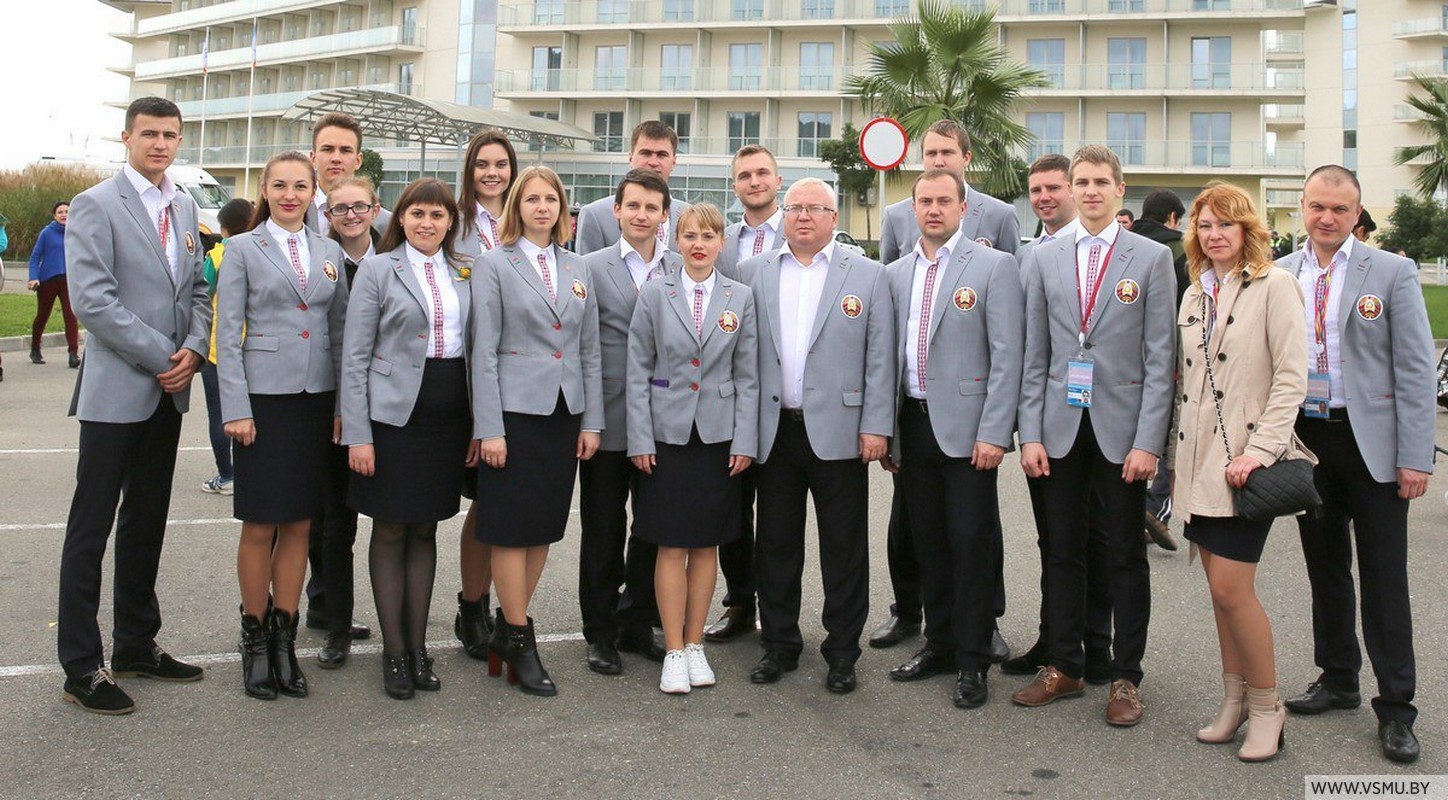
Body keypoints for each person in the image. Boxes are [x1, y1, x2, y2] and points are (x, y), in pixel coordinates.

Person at [1012, 144, 1175, 727]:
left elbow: (1161, 358)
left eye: (1101, 182)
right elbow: (1034, 353)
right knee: (1061, 549)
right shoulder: (1044, 257)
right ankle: (1064, 665)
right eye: (1082, 182)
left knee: (1124, 554)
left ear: (1119, 189)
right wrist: (1030, 433)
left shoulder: (1152, 258)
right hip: (1059, 428)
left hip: (1122, 431)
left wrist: (1148, 442)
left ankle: (1126, 677)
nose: (1090, 191)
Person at [1278, 165, 1435, 764]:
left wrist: (1415, 455)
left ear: (1356, 213)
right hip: (1308, 442)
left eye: (1339, 209)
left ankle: (1396, 707)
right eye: (1317, 206)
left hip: (1373, 445)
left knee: (1384, 578)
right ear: (1303, 206)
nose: (1326, 218)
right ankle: (1338, 677)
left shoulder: (1390, 272)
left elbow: (1415, 367)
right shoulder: (1282, 272)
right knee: (1326, 568)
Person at [58, 96, 210, 714]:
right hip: (118, 393)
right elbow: (93, 301)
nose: (160, 144)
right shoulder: (96, 204)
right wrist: (162, 357)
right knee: (90, 528)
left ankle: (136, 644)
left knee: (146, 522)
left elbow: (198, 288)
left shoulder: (185, 205)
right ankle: (81, 666)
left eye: (170, 135)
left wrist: (194, 349)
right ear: (126, 137)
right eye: (149, 134)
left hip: (168, 392)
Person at [735, 177, 894, 695]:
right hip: (775, 431)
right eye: (795, 207)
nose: (804, 216)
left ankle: (842, 650)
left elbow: (880, 357)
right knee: (775, 545)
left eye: (815, 208)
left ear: (834, 217)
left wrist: (876, 425)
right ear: (783, 215)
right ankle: (779, 643)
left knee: (843, 548)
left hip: (841, 433)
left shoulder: (867, 274)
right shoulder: (752, 272)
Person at [1175, 183, 1309, 762]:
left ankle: (1267, 707)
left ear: (1247, 229)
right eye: (1205, 225)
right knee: (1219, 593)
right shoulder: (1194, 293)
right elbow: (1190, 385)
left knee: (1234, 590)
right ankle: (1234, 701)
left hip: (1245, 465)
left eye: (1226, 224)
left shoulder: (1275, 285)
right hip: (1198, 464)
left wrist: (1259, 451)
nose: (1215, 235)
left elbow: (1291, 379)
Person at [873, 120, 1018, 658]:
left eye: (943, 202)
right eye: (924, 202)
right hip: (913, 423)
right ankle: (936, 641)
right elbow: (885, 354)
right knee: (927, 538)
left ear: (962, 207)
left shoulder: (995, 259)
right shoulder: (894, 273)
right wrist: (885, 429)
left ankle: (975, 651)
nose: (933, 210)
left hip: (968, 425)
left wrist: (995, 431)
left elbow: (1006, 352)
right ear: (913, 210)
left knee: (971, 539)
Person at [216, 150, 348, 701]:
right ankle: (254, 637)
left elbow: (339, 332)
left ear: (313, 192)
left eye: (300, 186)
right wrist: (236, 407)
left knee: (299, 524)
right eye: (279, 186)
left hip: (316, 400)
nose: (290, 195)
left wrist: (343, 406)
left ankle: (284, 638)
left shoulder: (329, 250)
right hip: (263, 403)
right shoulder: (243, 249)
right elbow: (226, 333)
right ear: (265, 191)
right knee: (260, 524)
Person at [471, 165, 602, 696]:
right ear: (516, 207)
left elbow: (588, 349)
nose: (542, 207)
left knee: (544, 526)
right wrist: (490, 428)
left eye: (551, 199)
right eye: (532, 199)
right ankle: (521, 637)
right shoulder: (493, 263)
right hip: (514, 415)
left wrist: (591, 421)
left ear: (563, 208)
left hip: (564, 414)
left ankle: (508, 629)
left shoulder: (578, 266)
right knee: (510, 527)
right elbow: (483, 351)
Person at [341, 178, 474, 699]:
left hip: (448, 418)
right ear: (400, 218)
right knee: (392, 527)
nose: (427, 223)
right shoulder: (379, 269)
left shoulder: (466, 269)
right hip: (393, 419)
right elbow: (355, 356)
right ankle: (394, 652)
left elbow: (479, 349)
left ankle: (419, 647)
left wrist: (479, 424)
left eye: (438, 215)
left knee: (426, 529)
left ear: (450, 222)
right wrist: (358, 435)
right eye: (417, 213)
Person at [626, 202, 759, 693]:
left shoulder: (740, 296)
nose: (698, 244)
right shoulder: (654, 294)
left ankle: (696, 643)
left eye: (708, 236)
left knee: (705, 545)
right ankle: (674, 649)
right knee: (670, 543)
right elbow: (637, 370)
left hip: (718, 439)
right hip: (666, 437)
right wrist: (640, 437)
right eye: (689, 235)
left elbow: (748, 374)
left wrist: (745, 439)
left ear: (722, 242)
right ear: (675, 241)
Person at [1000, 155, 1110, 686]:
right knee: (1055, 539)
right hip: (1048, 420)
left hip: (1102, 420)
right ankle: (1056, 640)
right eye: (1036, 190)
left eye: (1054, 188)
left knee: (1097, 539)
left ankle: (1096, 645)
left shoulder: (1106, 251)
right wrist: (1028, 427)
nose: (1044, 197)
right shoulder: (1031, 254)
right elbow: (1026, 344)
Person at [577, 169, 682, 676]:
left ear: (665, 215)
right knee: (603, 526)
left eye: (652, 207)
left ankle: (638, 621)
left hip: (664, 418)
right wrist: (589, 420)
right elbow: (584, 347)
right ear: (616, 210)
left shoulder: (681, 266)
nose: (642, 215)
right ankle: (599, 631)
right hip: (609, 416)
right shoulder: (590, 267)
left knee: (653, 527)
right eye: (633, 205)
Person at [303, 110, 380, 644]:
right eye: (327, 149)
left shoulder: (387, 235)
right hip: (314, 387)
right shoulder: (293, 218)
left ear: (358, 157)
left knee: (349, 509)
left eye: (344, 150)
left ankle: (331, 602)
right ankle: (320, 604)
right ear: (314, 156)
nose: (335, 158)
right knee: (315, 509)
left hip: (376, 393)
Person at [704, 144, 783, 644]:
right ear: (734, 186)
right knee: (732, 508)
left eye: (762, 173)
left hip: (782, 396)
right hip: (730, 393)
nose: (754, 182)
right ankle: (739, 602)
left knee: (777, 515)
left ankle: (777, 610)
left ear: (778, 180)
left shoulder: (800, 231)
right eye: (744, 176)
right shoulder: (723, 240)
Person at [450, 130, 517, 662]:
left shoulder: (527, 223)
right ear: (469, 170)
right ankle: (472, 604)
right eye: (482, 164)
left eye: (501, 164)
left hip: (521, 383)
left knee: (504, 504)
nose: (492, 173)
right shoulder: (453, 225)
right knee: (484, 503)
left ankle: (499, 606)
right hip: (469, 378)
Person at [1131, 188, 1190, 551]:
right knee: (1170, 434)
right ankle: (1156, 507)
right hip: (1167, 357)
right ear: (1172, 217)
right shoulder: (1179, 250)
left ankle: (1130, 503)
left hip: (1123, 363)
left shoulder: (1125, 243)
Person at [199, 197, 256, 496]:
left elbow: (201, 297)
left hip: (219, 348)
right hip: (257, 347)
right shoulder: (262, 251)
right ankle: (251, 473)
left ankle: (227, 474)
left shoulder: (218, 255)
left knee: (220, 414)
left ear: (223, 228)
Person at [574, 120, 689, 255]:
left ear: (673, 162)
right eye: (646, 153)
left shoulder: (690, 215)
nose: (653, 162)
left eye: (661, 155)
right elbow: (587, 267)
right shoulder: (595, 215)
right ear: (630, 157)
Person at [28, 201, 80, 368]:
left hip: (68, 280)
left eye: (67, 212)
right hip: (48, 280)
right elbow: (35, 257)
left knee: (70, 316)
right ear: (54, 216)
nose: (64, 215)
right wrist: (33, 277)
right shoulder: (47, 233)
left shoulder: (76, 231)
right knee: (42, 316)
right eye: (60, 212)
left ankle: (73, 354)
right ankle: (35, 348)